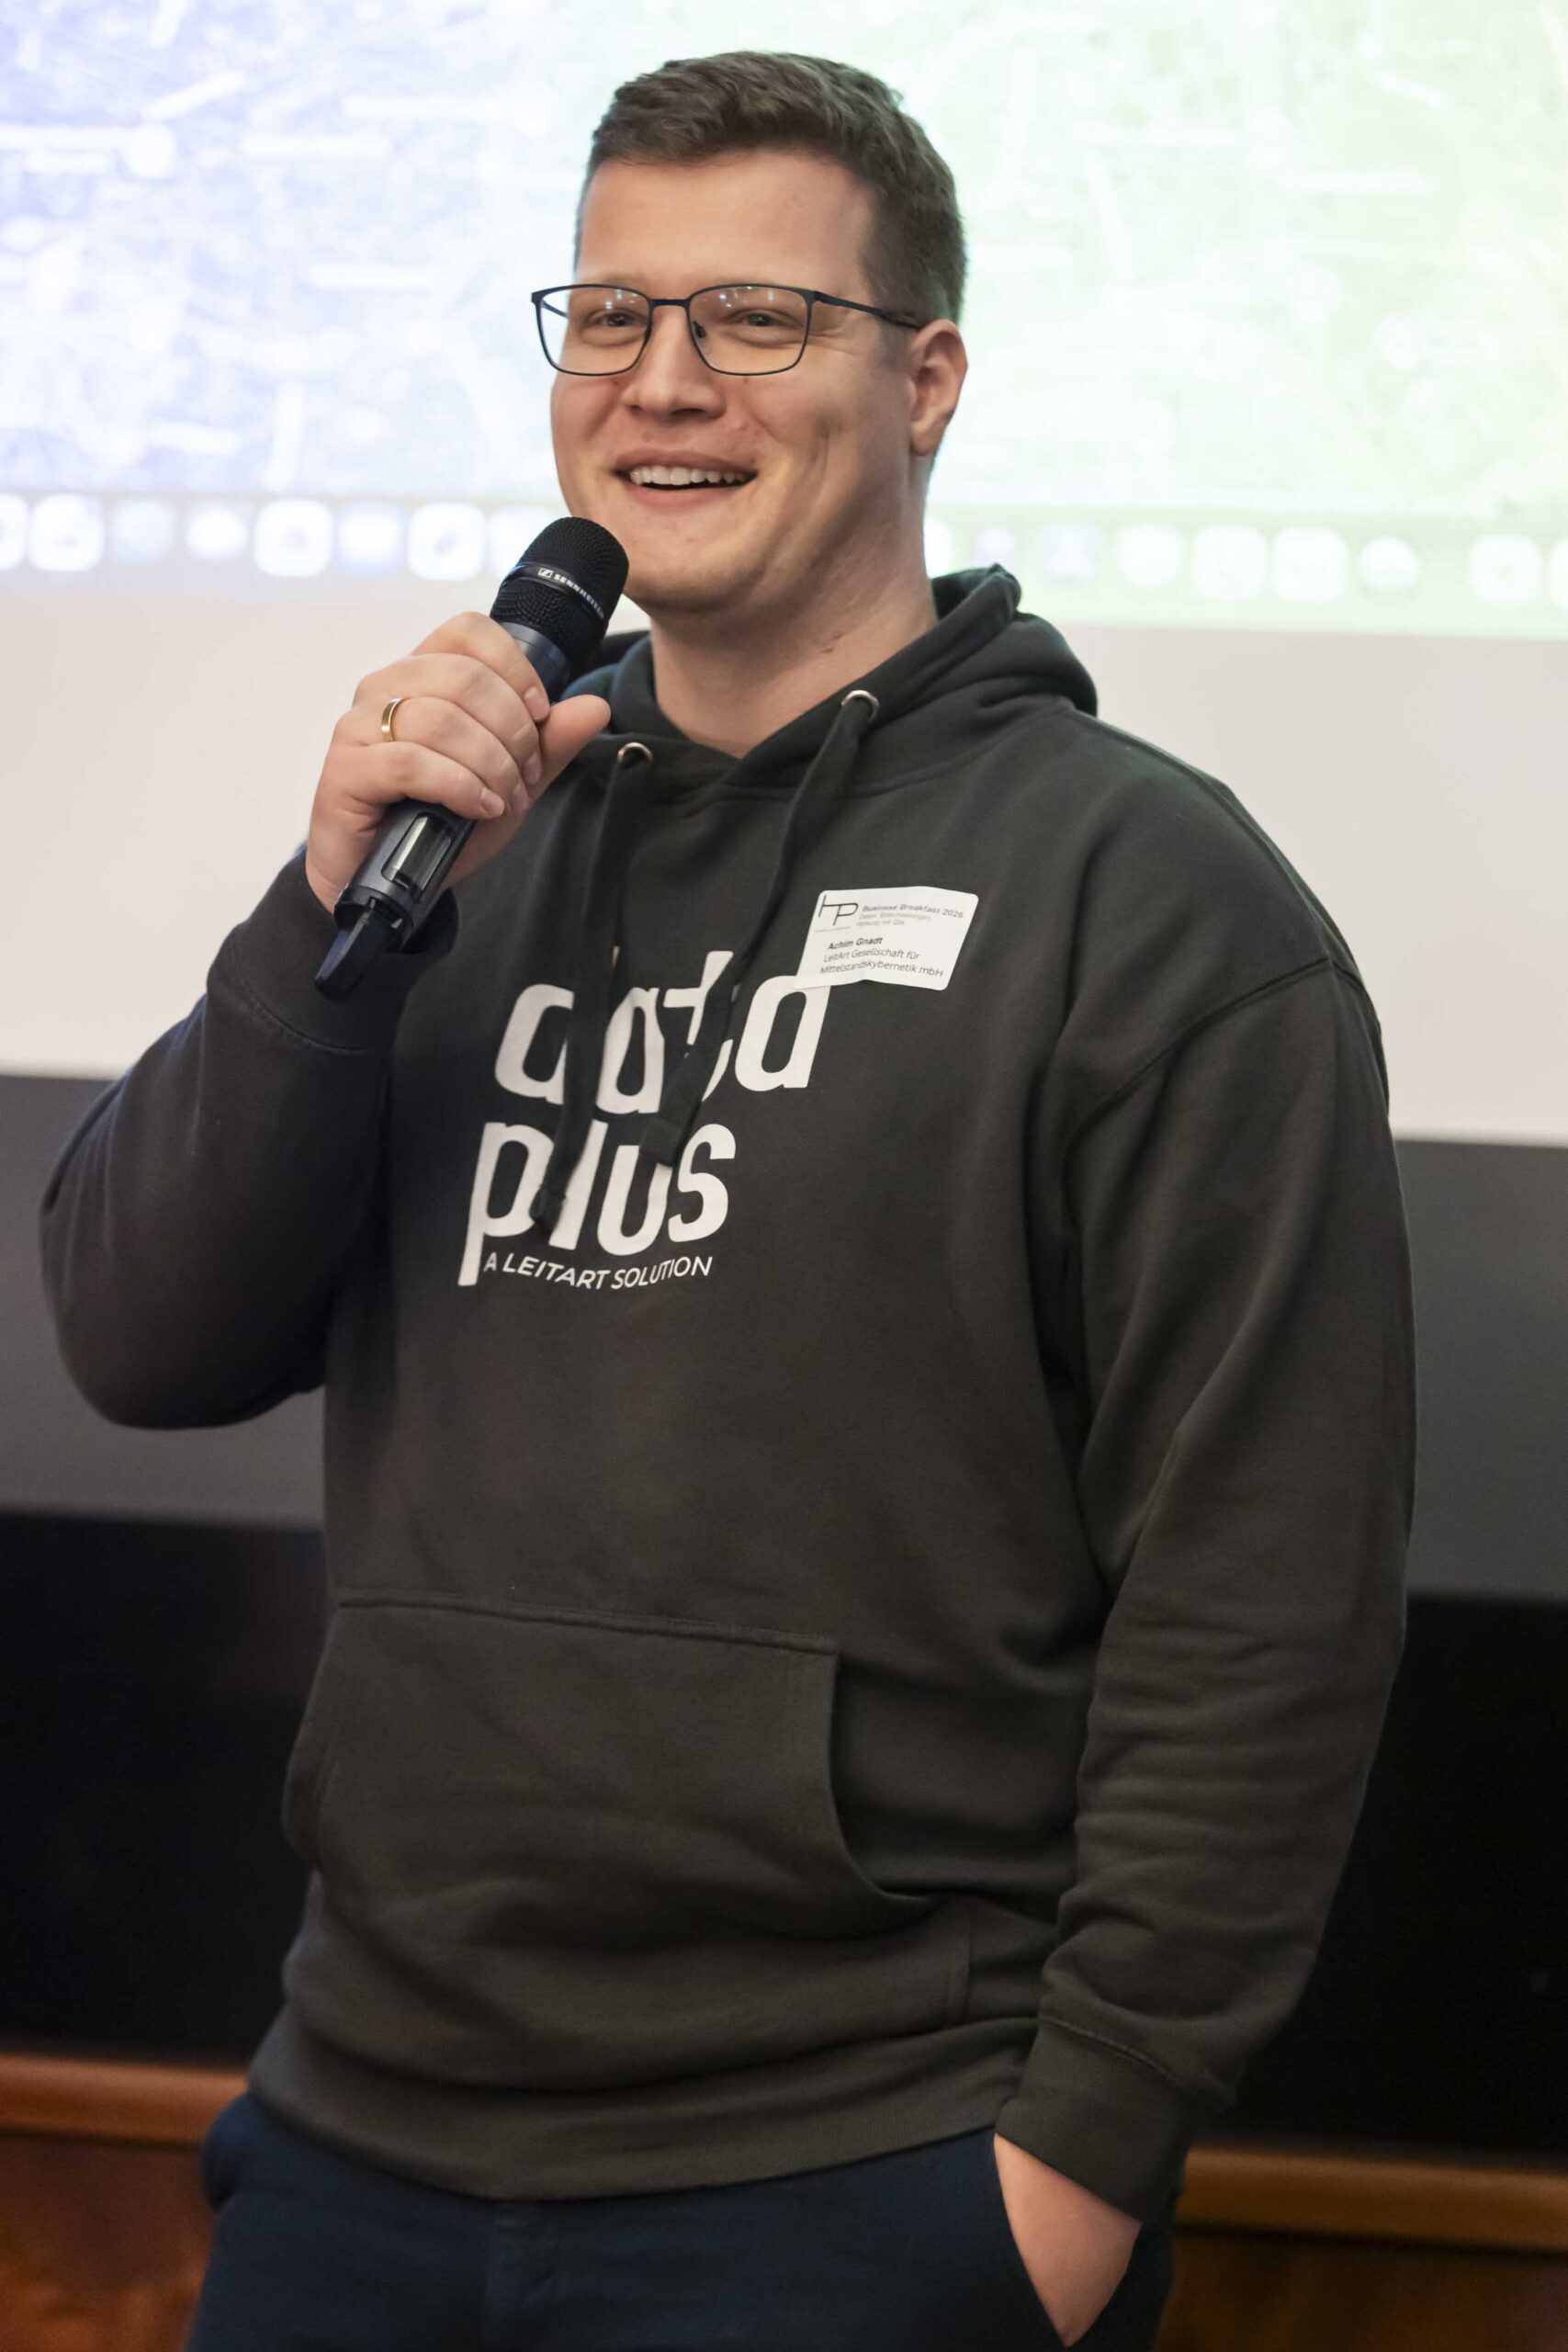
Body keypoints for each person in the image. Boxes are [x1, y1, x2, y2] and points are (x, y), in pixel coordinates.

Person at [39, 48, 1416, 2352]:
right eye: (609, 314)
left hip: (862, 2175)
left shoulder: (1145, 897)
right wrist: (324, 901)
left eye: (753, 319)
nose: (661, 383)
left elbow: (1259, 1591)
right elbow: (139, 1331)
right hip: (357, 2140)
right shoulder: (454, 851)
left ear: (924, 379)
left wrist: (1076, 2160)